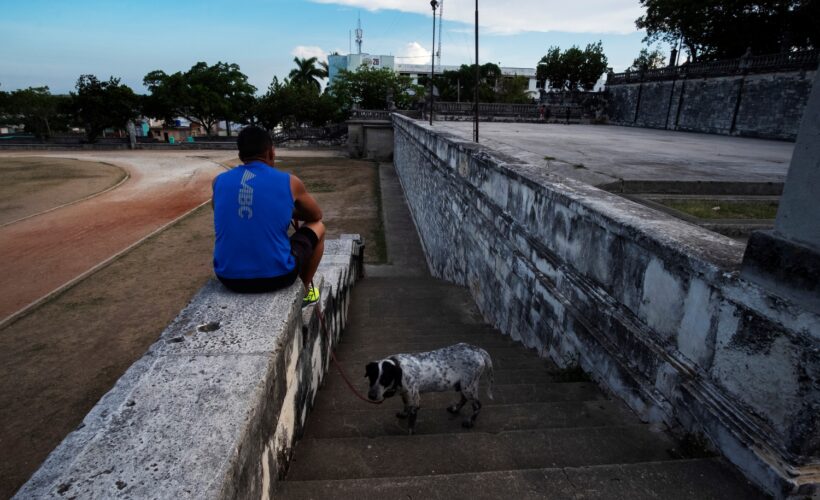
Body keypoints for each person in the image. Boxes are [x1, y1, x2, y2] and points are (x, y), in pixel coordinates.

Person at [212, 126, 325, 306]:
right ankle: (304, 291)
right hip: (278, 276)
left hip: (228, 278)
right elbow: (315, 215)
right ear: (270, 153)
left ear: (241, 157)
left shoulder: (219, 181)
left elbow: (224, 211)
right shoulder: (289, 181)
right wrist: (288, 209)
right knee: (319, 227)